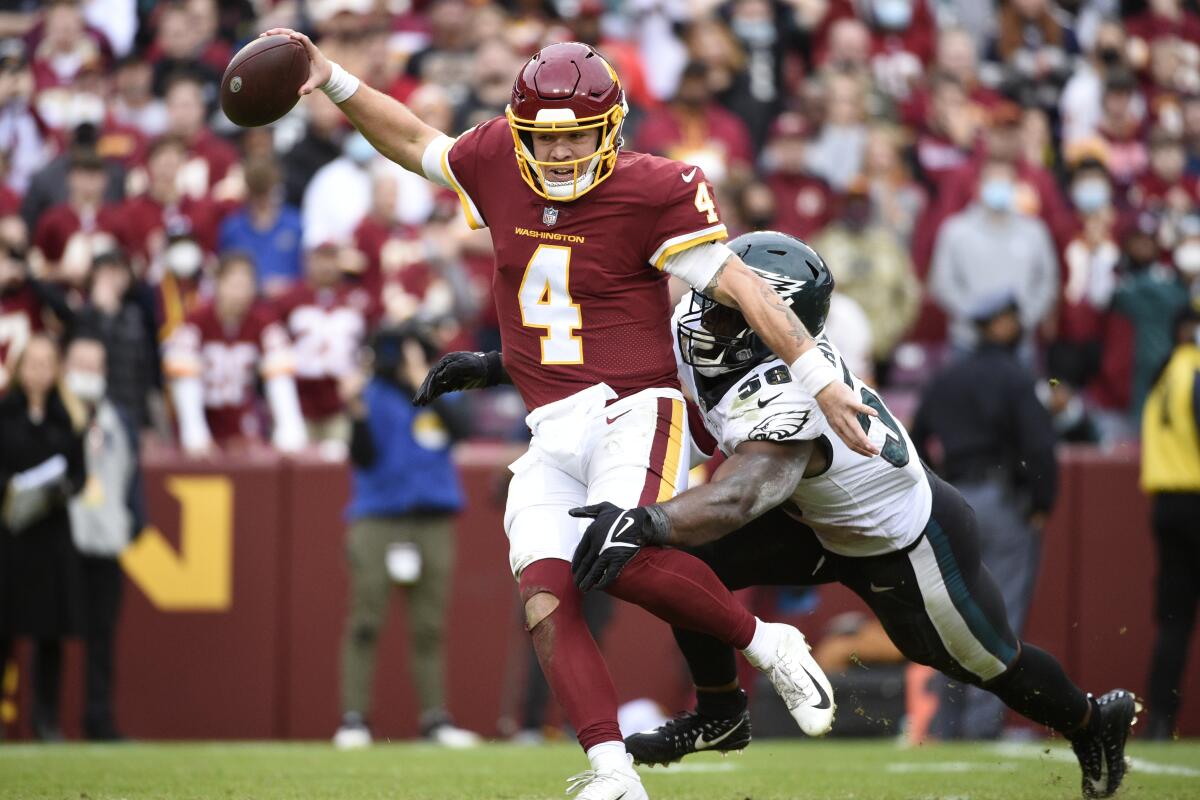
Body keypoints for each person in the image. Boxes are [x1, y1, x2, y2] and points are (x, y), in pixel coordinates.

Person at [268, 29, 879, 799]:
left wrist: (818, 376)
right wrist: (331, 78)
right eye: (543, 139)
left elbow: (742, 286)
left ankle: (767, 641)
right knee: (548, 595)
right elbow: (417, 143)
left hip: (635, 408)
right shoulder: (493, 158)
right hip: (550, 424)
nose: (558, 155)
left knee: (617, 556)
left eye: (576, 137)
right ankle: (613, 775)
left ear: (609, 128)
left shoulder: (655, 187)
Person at [549, 232, 1132, 800]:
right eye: (719, 298)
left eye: (731, 311)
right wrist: (500, 365)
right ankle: (721, 711)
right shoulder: (700, 327)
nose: (705, 318)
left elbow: (745, 495)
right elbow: (611, 360)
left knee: (984, 662)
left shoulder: (790, 390)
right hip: (811, 520)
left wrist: (645, 520)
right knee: (683, 562)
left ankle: (1089, 720)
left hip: (901, 538)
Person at [911, 293, 1059, 739]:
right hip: (1001, 499)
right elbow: (1039, 447)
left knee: (954, 612)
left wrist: (933, 491)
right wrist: (1041, 503)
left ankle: (946, 722)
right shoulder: (1016, 378)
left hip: (953, 501)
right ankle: (980, 725)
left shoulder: (947, 377)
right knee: (1000, 613)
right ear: (1000, 324)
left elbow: (911, 439)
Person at [332, 326, 479, 749]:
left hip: (433, 517)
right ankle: (354, 718)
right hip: (378, 516)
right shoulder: (372, 395)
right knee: (365, 620)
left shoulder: (440, 390)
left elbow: (461, 427)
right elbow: (361, 456)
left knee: (429, 625)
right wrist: (356, 410)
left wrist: (424, 379)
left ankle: (435, 718)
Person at [0, 334, 86, 741]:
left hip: (51, 534)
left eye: (46, 362)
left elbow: (79, 474)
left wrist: (59, 490)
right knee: (5, 629)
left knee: (49, 632)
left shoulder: (67, 418)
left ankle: (46, 719)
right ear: (18, 367)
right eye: (31, 362)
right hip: (11, 536)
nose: (38, 371)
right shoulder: (4, 414)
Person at [62, 333, 144, 740]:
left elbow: (132, 475)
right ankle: (46, 720)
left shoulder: (118, 419)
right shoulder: (59, 415)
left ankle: (99, 719)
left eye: (94, 366)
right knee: (51, 633)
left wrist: (136, 519)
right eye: (80, 364)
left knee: (102, 639)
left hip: (108, 536)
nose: (87, 374)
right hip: (62, 538)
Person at [162, 252, 307, 454]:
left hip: (241, 418)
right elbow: (182, 375)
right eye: (234, 284)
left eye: (246, 285)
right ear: (218, 284)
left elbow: (281, 374)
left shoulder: (264, 322)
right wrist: (194, 431)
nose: (239, 293)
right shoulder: (195, 322)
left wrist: (289, 427)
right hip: (203, 414)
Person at [1140, 302, 1200, 740]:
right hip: (1195, 497)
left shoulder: (1164, 372)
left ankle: (1160, 718)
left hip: (1167, 503)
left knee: (1175, 619)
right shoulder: (1193, 370)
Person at [928, 157, 1060, 352]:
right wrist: (980, 319)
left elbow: (1048, 280)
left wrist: (1022, 320)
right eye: (993, 182)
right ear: (979, 186)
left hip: (1019, 342)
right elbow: (942, 284)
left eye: (1005, 182)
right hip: (967, 341)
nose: (999, 188)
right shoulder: (955, 231)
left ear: (1016, 187)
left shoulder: (1035, 232)